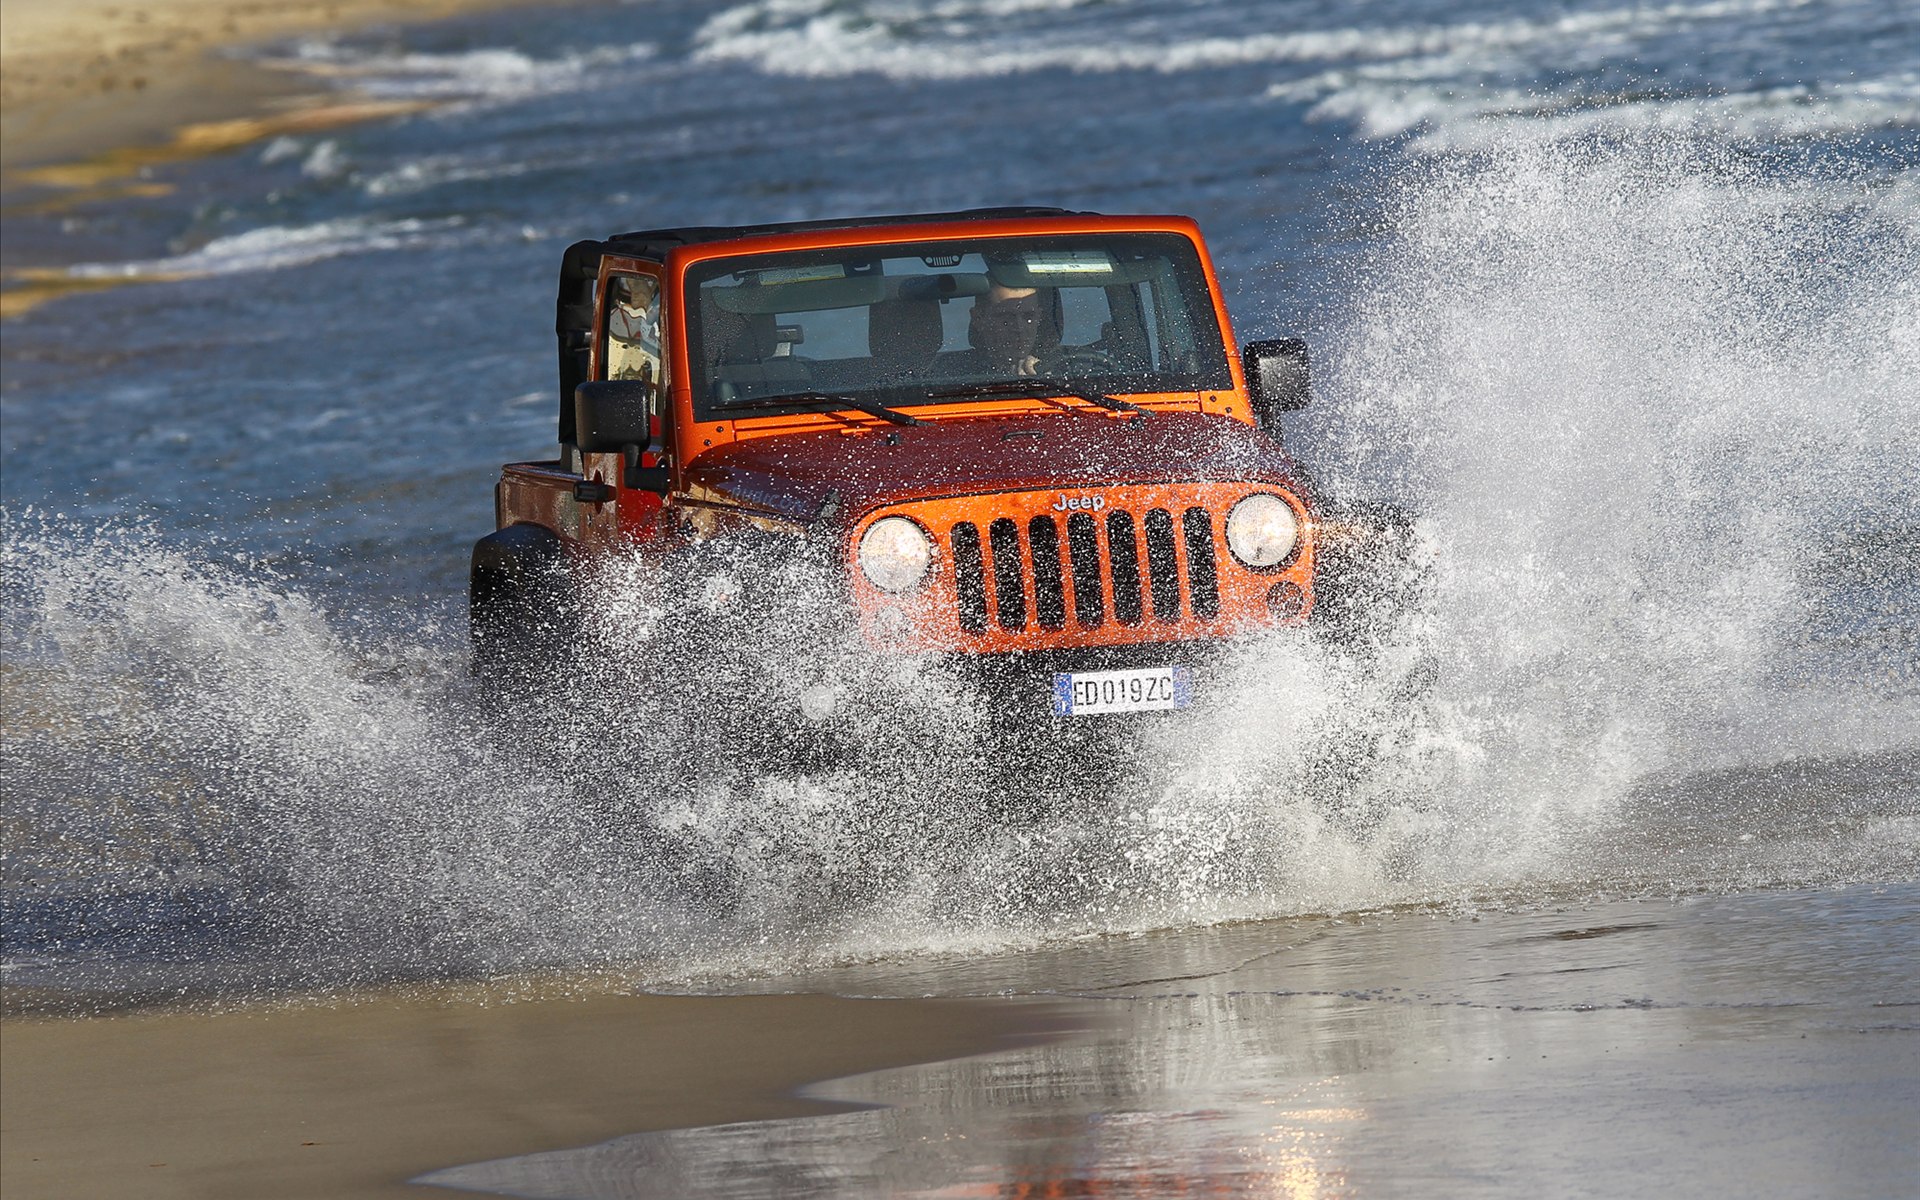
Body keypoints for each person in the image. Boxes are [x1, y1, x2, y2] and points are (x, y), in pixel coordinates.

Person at [967, 278, 1059, 377]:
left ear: (1039, 317)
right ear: (978, 319)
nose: (1019, 328)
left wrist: (1044, 377)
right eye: (1006, 319)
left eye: (1028, 317)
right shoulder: (959, 376)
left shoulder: (1063, 369)